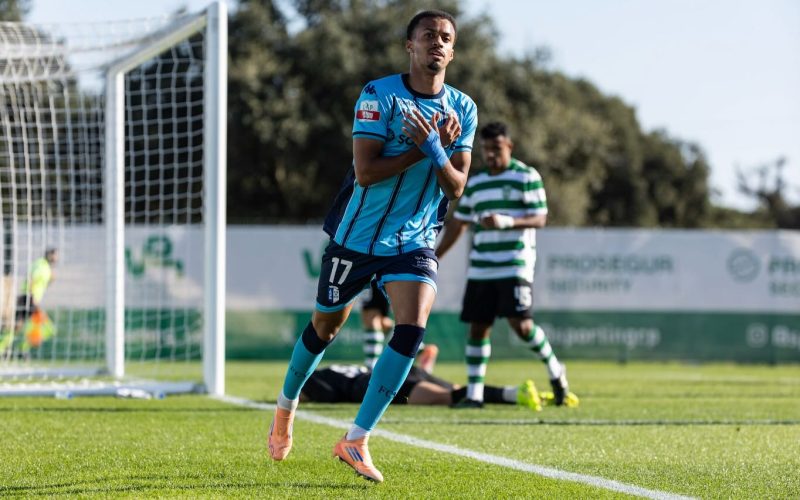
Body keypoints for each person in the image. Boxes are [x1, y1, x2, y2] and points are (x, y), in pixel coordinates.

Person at [267, 10, 477, 483]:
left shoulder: (463, 108)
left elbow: (456, 186)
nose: (437, 43)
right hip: (357, 236)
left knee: (412, 327)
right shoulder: (378, 95)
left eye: (446, 38)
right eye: (428, 36)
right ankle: (285, 407)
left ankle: (357, 439)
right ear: (410, 45)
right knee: (325, 328)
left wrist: (436, 149)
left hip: (414, 238)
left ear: (452, 50)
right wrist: (422, 148)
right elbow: (365, 173)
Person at [436, 122, 573, 409]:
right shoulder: (476, 182)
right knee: (478, 328)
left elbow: (540, 218)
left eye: (496, 148)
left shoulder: (526, 176)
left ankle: (555, 369)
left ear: (509, 146)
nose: (490, 155)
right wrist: (435, 257)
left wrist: (506, 221)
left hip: (514, 264)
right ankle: (474, 395)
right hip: (481, 267)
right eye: (485, 149)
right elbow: (459, 224)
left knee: (521, 326)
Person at [300, 345, 556, 410]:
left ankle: (515, 394)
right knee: (464, 389)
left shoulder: (312, 380)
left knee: (449, 397)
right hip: (398, 370)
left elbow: (326, 395)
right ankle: (519, 393)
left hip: (380, 384)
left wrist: (302, 397)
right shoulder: (330, 370)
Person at [0, 247, 58, 356]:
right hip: (28, 299)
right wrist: (32, 296)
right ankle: (18, 348)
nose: (56, 258)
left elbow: (42, 285)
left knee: (16, 327)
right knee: (47, 328)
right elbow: (31, 278)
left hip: (31, 300)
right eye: (55, 255)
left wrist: (50, 280)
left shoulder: (47, 268)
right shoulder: (41, 264)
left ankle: (19, 349)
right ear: (49, 255)